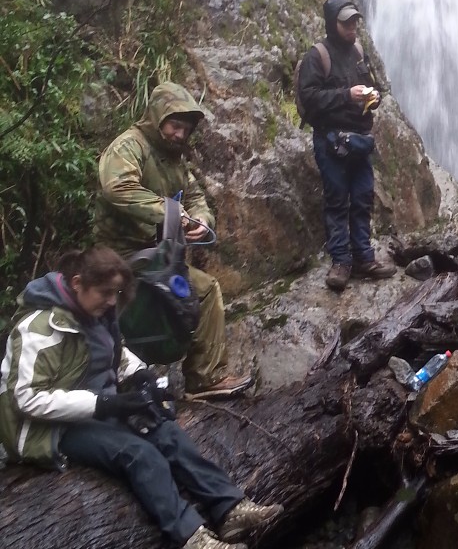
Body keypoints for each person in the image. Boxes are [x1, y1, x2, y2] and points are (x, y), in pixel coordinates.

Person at [0, 247, 283, 549]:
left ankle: (229, 509)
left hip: (97, 408)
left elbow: (114, 353)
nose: (112, 301)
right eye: (105, 292)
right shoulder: (39, 328)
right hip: (49, 429)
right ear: (78, 283)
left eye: (116, 293)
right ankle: (191, 537)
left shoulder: (98, 313)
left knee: (165, 430)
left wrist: (139, 374)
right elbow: (27, 398)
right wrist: (105, 404)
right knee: (137, 453)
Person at [95, 82, 250, 399]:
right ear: (157, 118)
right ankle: (107, 380)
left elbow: (195, 198)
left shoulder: (175, 159)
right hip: (118, 256)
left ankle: (205, 379)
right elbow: (116, 188)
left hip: (159, 258)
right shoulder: (129, 147)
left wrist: (202, 222)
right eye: (174, 125)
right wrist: (168, 212)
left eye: (185, 129)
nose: (180, 134)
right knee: (114, 313)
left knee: (204, 290)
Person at [298, 0, 397, 291]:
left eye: (355, 21)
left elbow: (373, 85)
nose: (353, 27)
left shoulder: (357, 51)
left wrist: (374, 97)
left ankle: (364, 258)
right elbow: (310, 97)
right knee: (337, 200)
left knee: (363, 198)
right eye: (346, 23)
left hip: (361, 141)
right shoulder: (318, 56)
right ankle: (341, 262)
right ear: (332, 23)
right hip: (331, 142)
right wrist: (346, 95)